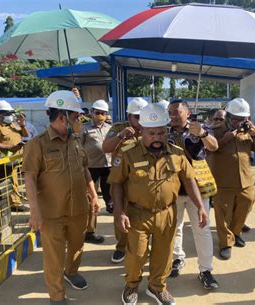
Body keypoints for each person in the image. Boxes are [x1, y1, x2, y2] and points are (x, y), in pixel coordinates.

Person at [108, 103, 207, 305]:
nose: (157, 137)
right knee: (136, 255)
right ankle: (132, 286)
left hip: (167, 213)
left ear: (166, 131)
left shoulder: (177, 153)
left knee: (164, 256)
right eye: (151, 133)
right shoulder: (128, 153)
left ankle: (157, 287)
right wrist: (119, 213)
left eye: (161, 133)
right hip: (137, 214)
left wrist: (200, 207)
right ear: (142, 131)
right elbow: (116, 184)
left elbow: (189, 180)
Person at [23, 90, 100, 305]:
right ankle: (57, 296)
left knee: (77, 246)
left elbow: (85, 170)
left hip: (78, 210)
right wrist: (34, 211)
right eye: (76, 118)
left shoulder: (76, 141)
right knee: (54, 256)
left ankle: (72, 272)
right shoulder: (37, 144)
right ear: (62, 117)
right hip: (52, 213)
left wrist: (93, 196)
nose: (79, 122)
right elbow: (29, 178)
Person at [167, 99, 219, 289]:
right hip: (173, 188)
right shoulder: (164, 131)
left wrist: (203, 134)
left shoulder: (200, 127)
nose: (173, 116)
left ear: (187, 113)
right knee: (175, 227)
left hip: (198, 188)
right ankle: (177, 259)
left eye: (177, 112)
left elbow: (214, 147)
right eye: (170, 112)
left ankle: (205, 270)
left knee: (202, 229)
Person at [209, 98, 255, 260]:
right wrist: (225, 139)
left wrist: (254, 135)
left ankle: (235, 232)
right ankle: (226, 243)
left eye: (242, 119)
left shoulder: (249, 131)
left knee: (246, 205)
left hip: (245, 181)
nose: (237, 122)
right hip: (223, 181)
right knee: (223, 215)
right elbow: (207, 150)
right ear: (228, 116)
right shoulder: (216, 130)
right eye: (234, 119)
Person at [102, 97, 148, 264]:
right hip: (120, 179)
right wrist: (121, 136)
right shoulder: (118, 128)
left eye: (142, 116)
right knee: (120, 214)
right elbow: (106, 148)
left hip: (142, 180)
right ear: (129, 116)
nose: (140, 120)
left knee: (143, 214)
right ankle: (121, 247)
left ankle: (142, 246)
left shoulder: (150, 129)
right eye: (136, 116)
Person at [0, 100, 29, 211]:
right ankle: (15, 204)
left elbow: (26, 135)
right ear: (0, 114)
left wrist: (23, 125)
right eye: (7, 114)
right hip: (7, 159)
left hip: (19, 157)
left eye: (10, 113)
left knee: (22, 179)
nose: (10, 116)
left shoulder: (12, 125)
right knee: (12, 180)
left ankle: (18, 199)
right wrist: (9, 148)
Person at [80, 99, 111, 244]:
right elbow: (78, 148)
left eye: (103, 113)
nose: (100, 115)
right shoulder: (84, 129)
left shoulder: (110, 129)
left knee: (111, 198)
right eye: (97, 112)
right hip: (91, 168)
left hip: (108, 167)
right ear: (92, 113)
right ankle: (89, 231)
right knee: (91, 200)